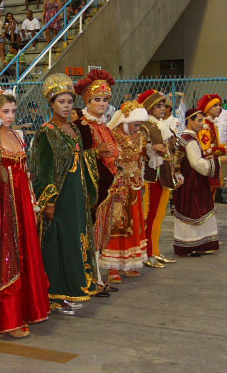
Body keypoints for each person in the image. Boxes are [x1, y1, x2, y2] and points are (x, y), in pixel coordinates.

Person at [0, 91, 50, 337]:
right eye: (5, 112)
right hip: (0, 206)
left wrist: (33, 205)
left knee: (22, 254)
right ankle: (5, 318)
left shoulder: (18, 136)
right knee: (2, 258)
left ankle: (24, 311)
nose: (10, 116)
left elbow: (26, 175)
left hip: (20, 206)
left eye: (13, 111)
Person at [29, 73, 99, 315]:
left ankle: (74, 288)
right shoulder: (46, 132)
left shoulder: (74, 129)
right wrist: (49, 201)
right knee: (58, 244)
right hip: (60, 198)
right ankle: (55, 294)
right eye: (61, 102)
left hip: (77, 195)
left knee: (76, 241)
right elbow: (42, 170)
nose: (67, 106)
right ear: (51, 104)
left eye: (70, 102)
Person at [73, 70, 119, 292]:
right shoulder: (82, 125)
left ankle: (98, 278)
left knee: (100, 233)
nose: (102, 104)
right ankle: (89, 279)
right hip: (90, 189)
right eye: (97, 99)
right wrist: (96, 151)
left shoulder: (104, 126)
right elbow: (76, 156)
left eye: (105, 99)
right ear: (87, 101)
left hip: (107, 187)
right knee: (90, 233)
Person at [99, 100, 149, 277]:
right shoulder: (112, 136)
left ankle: (130, 261)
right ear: (125, 121)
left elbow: (139, 160)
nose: (138, 128)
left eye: (140, 125)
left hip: (134, 186)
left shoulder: (139, 137)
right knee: (117, 224)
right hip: (118, 185)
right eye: (136, 124)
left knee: (135, 222)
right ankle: (114, 267)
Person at [138, 89, 180, 268]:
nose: (163, 109)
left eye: (164, 105)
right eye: (158, 105)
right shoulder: (144, 126)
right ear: (148, 107)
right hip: (151, 175)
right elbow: (138, 148)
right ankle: (147, 253)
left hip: (164, 175)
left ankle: (155, 250)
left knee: (159, 215)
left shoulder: (160, 125)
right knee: (150, 214)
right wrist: (150, 148)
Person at [172, 109, 221, 256]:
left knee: (191, 211)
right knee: (194, 211)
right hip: (193, 183)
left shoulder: (187, 137)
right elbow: (197, 163)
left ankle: (193, 244)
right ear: (189, 121)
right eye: (199, 120)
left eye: (202, 120)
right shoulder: (190, 140)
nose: (201, 124)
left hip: (188, 181)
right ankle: (191, 244)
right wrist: (217, 162)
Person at [197, 94, 227, 204]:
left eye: (219, 105)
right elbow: (205, 150)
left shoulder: (212, 124)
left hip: (213, 164)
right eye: (215, 105)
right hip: (207, 166)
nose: (219, 108)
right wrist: (223, 150)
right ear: (207, 109)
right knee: (206, 197)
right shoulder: (205, 125)